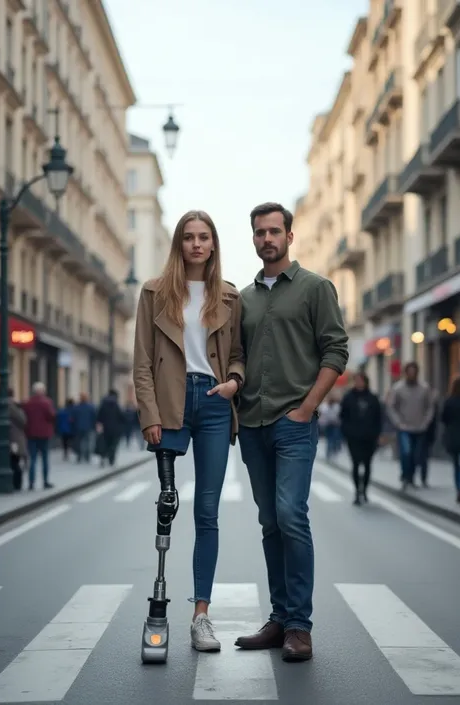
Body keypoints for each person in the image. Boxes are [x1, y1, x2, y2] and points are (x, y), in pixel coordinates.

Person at [235, 202, 348, 661]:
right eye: (260, 232)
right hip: (253, 424)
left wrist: (306, 408)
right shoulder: (243, 298)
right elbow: (236, 356)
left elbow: (335, 351)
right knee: (269, 522)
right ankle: (280, 617)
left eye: (274, 231)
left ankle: (300, 626)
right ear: (254, 238)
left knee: (290, 514)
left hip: (293, 424)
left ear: (289, 236)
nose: (267, 239)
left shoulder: (315, 288)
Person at [133, 209, 245, 652]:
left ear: (214, 244)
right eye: (189, 237)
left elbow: (238, 353)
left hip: (215, 403)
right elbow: (142, 360)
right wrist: (150, 415)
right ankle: (157, 604)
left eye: (204, 237)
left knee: (208, 512)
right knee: (168, 504)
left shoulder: (231, 298)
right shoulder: (155, 292)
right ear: (179, 243)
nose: (197, 244)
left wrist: (234, 381)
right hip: (172, 402)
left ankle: (201, 616)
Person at [386, 362, 435, 490]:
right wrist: (398, 422)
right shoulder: (398, 388)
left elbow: (430, 407)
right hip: (404, 428)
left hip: (420, 428)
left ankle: (411, 477)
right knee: (406, 453)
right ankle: (406, 476)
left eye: (414, 372)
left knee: (416, 454)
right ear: (405, 373)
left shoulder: (424, 388)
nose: (412, 374)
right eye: (409, 372)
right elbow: (391, 407)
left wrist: (426, 422)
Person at [339, 372, 382, 505]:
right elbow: (343, 416)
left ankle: (365, 490)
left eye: (361, 380)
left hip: (369, 437)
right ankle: (357, 491)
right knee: (356, 464)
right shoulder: (348, 398)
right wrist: (346, 432)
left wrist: (377, 434)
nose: (358, 383)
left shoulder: (373, 398)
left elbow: (378, 417)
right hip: (354, 437)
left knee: (368, 464)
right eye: (356, 381)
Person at [441, 376, 460, 506]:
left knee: (456, 465)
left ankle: (459, 489)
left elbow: (443, 418)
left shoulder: (449, 401)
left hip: (453, 437)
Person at [22, 382, 56, 490]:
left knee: (32, 459)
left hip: (31, 434)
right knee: (45, 458)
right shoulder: (47, 402)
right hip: (44, 434)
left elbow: (24, 417)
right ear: (42, 391)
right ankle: (45, 481)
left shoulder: (28, 403)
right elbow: (51, 416)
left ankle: (31, 483)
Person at [8, 388, 28, 491]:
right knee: (14, 462)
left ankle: (15, 483)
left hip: (11, 439)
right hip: (13, 439)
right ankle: (16, 484)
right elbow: (22, 420)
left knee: (13, 461)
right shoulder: (12, 405)